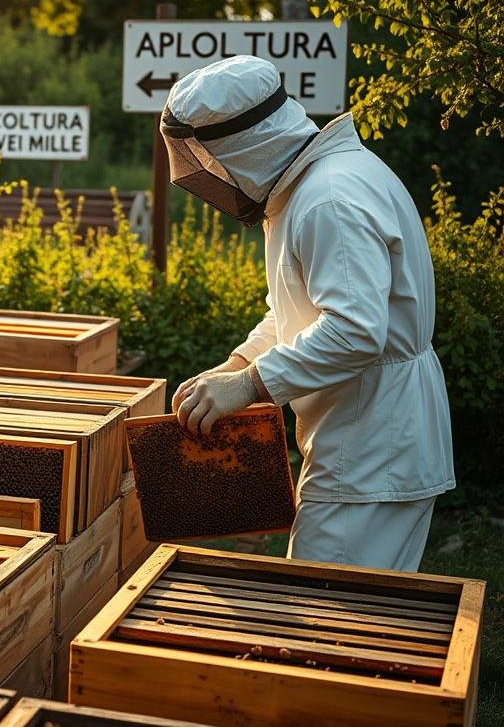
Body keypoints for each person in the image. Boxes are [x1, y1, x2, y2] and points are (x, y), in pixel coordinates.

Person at [163, 55, 455, 572]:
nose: (212, 173)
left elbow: (354, 332)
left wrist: (252, 385)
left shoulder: (328, 199)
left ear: (239, 148)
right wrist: (237, 365)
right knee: (357, 613)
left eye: (210, 157)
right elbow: (294, 312)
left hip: (371, 447)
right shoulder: (314, 186)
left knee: (332, 618)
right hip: (365, 436)